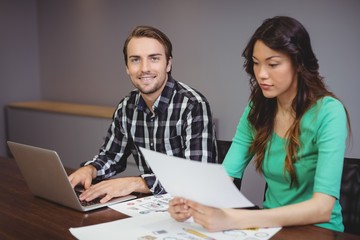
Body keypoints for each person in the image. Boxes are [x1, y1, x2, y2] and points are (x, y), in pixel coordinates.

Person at [168, 16, 351, 232]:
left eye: (273, 64)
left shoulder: (329, 112)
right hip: (270, 228)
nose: (262, 74)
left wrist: (236, 219)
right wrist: (190, 203)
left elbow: (322, 208)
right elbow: (226, 174)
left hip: (319, 230)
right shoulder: (258, 108)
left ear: (298, 63)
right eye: (256, 63)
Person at [68, 25, 217, 203]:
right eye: (136, 60)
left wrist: (135, 183)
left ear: (168, 64)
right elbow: (111, 156)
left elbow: (197, 176)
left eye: (154, 58)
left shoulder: (192, 105)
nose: (144, 68)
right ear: (127, 67)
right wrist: (90, 169)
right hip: (148, 207)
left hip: (190, 208)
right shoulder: (126, 107)